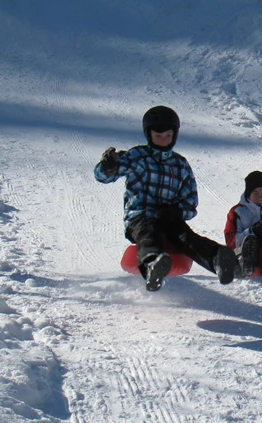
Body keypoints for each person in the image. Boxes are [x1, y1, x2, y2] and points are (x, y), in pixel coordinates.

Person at [94, 105, 239, 291]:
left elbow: (190, 202)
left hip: (169, 219)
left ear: (175, 135)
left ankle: (217, 258)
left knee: (186, 237)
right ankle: (153, 263)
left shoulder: (180, 164)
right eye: (158, 136)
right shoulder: (137, 156)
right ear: (149, 135)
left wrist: (177, 212)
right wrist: (108, 166)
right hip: (140, 216)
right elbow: (104, 177)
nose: (163, 141)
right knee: (148, 232)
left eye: (168, 136)